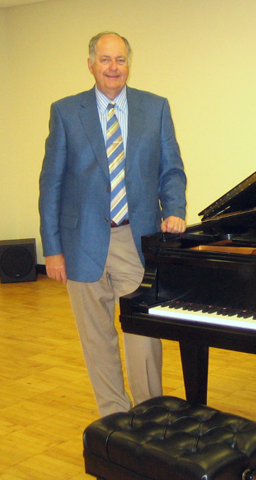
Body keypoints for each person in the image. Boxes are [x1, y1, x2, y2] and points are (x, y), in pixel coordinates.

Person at [39, 31, 187, 417]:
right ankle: (115, 421)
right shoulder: (66, 112)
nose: (113, 67)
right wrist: (52, 249)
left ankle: (151, 415)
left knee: (142, 334)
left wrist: (174, 209)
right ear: (90, 64)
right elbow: (51, 184)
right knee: (96, 339)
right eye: (105, 60)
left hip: (135, 239)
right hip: (80, 242)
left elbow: (171, 170)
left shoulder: (154, 108)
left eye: (120, 60)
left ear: (129, 64)